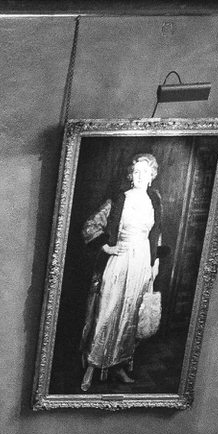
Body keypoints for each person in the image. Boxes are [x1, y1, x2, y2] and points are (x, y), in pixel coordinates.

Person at [80, 152, 166, 392]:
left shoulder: (155, 200)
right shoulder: (119, 199)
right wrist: (107, 247)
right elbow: (91, 226)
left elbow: (156, 234)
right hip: (120, 261)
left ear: (151, 177)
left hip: (142, 264)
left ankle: (118, 364)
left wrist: (154, 263)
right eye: (136, 172)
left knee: (130, 316)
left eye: (145, 173)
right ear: (131, 175)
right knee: (107, 312)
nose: (139, 176)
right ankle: (92, 365)